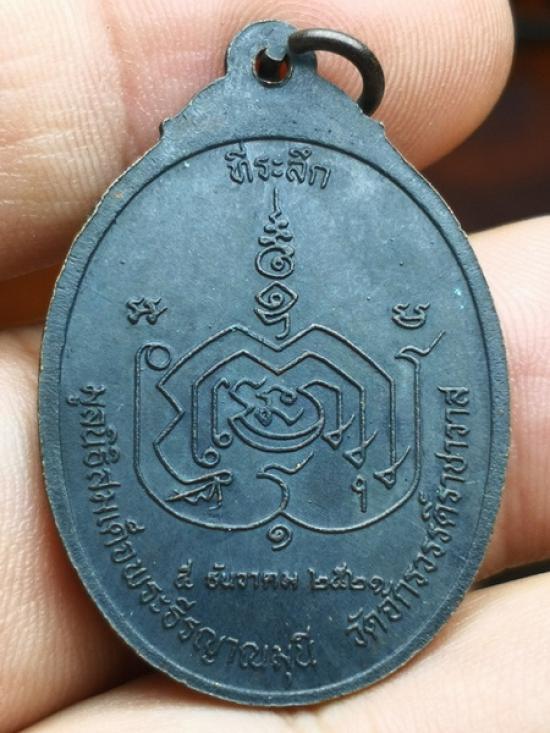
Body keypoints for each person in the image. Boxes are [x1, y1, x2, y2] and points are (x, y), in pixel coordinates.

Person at [1, 1, 549, 731]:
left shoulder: (318, 362)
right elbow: (194, 405)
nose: (275, 288)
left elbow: (359, 403)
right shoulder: (237, 363)